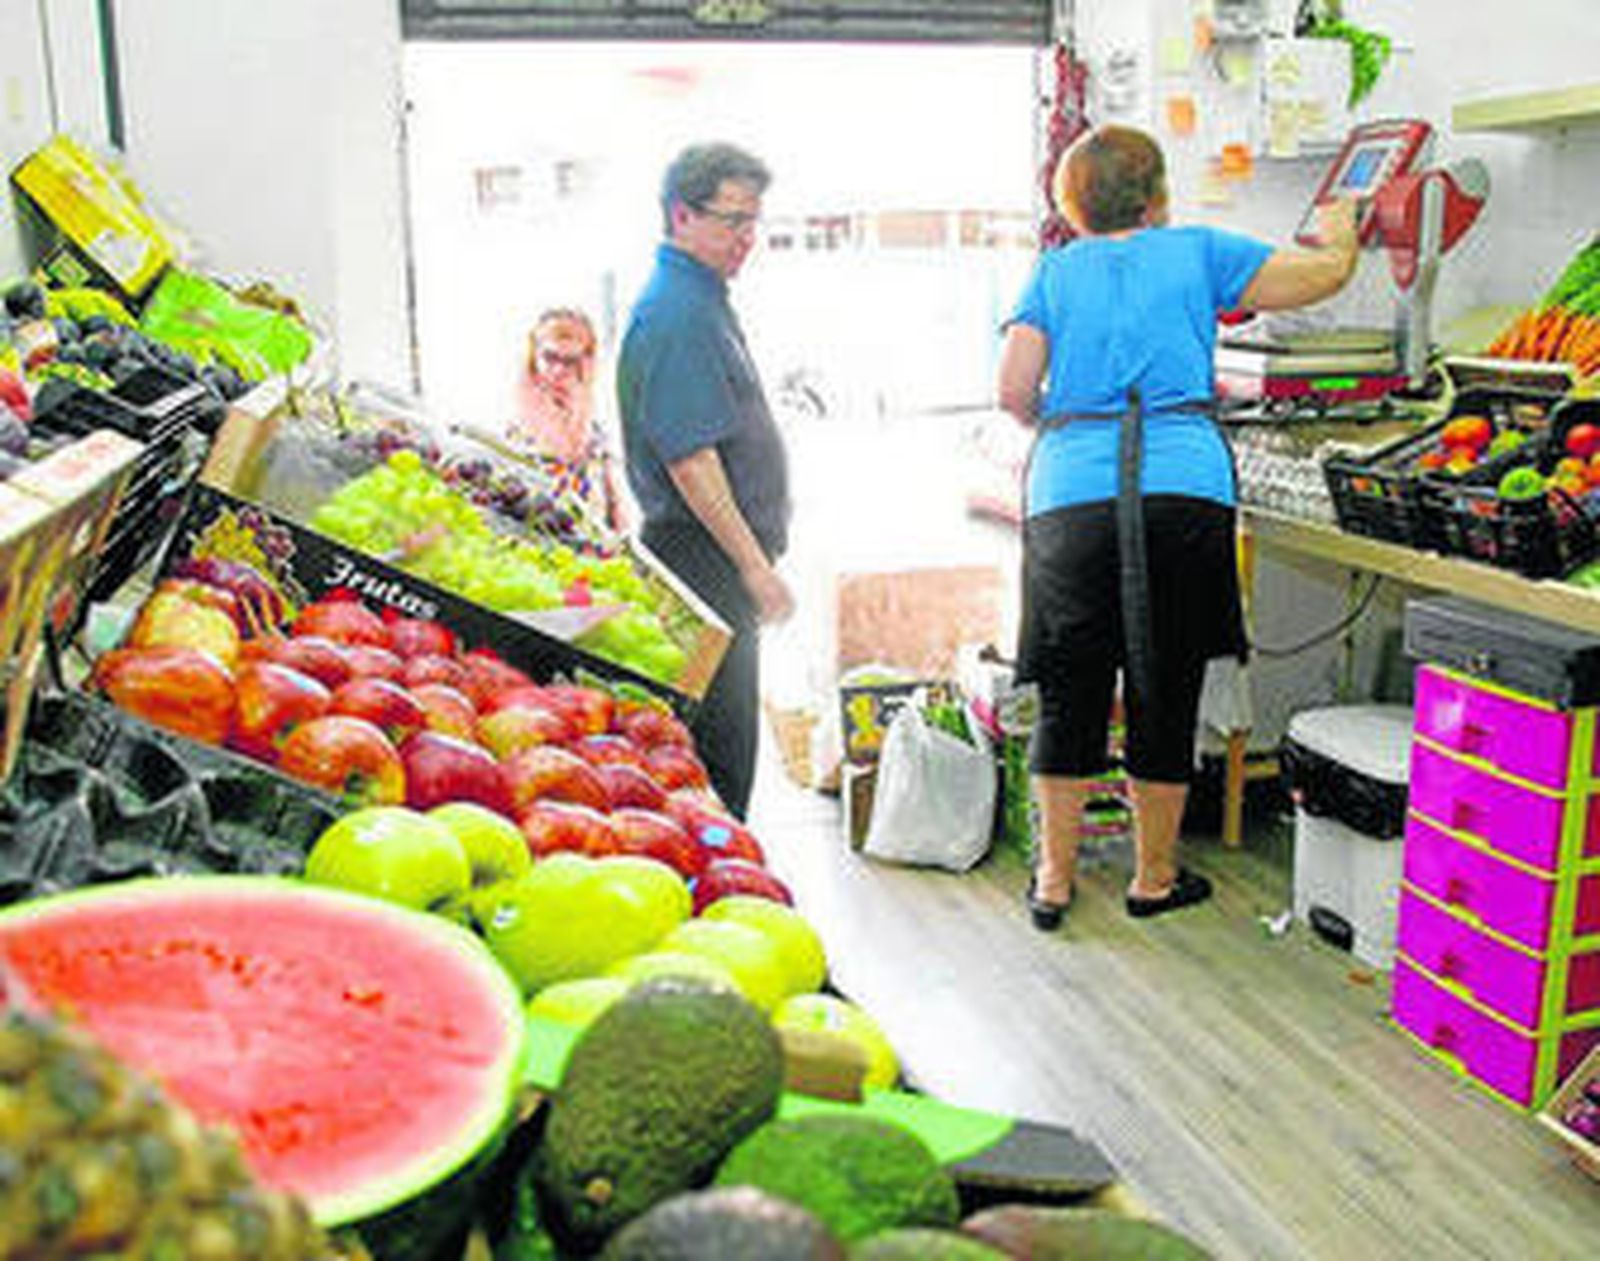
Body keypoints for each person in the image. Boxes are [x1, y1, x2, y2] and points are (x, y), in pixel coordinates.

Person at [996, 125, 1358, 929]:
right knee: (1167, 680)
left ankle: (1053, 879)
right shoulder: (1197, 250)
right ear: (1157, 196)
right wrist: (1344, 226)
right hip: (1183, 488)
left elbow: (1013, 387)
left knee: (1071, 682)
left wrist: (1065, 425)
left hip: (1071, 493)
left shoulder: (1053, 271)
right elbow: (1324, 276)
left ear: (1072, 205)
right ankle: (1153, 876)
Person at [616, 142, 795, 820]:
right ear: (680, 215)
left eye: (753, 222)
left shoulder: (699, 299)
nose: (746, 239)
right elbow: (693, 460)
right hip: (704, 559)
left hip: (713, 557)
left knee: (726, 737)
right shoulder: (676, 314)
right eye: (731, 221)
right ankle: (721, 897)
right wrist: (753, 568)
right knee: (720, 749)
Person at [506, 306, 622, 531]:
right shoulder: (518, 424)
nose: (558, 370)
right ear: (534, 355)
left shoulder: (591, 421)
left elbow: (614, 502)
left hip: (594, 547)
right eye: (550, 358)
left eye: (570, 361)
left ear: (586, 363)